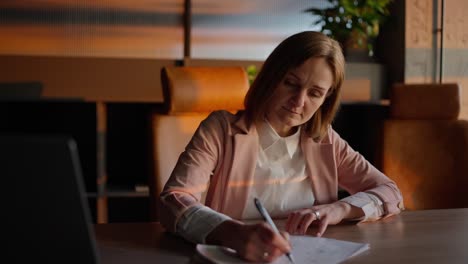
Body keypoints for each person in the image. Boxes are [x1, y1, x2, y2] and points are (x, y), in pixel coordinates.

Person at [158, 31, 403, 263]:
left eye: (315, 93)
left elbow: (390, 193)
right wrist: (233, 233)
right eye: (291, 83)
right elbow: (174, 201)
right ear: (272, 77)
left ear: (326, 99)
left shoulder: (325, 139)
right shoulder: (221, 130)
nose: (299, 101)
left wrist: (340, 208)